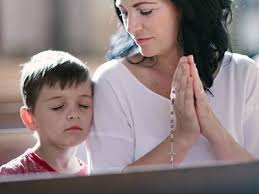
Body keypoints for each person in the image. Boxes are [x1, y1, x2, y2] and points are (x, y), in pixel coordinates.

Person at [87, 0, 259, 173]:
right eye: (124, 12)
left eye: (145, 11)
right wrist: (181, 138)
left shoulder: (242, 74)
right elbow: (108, 186)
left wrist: (213, 129)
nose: (131, 27)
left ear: (186, 8)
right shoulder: (113, 81)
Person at [0, 50, 93, 175]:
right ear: (30, 118)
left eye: (83, 105)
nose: (74, 114)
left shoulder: (94, 173)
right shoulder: (12, 176)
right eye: (58, 106)